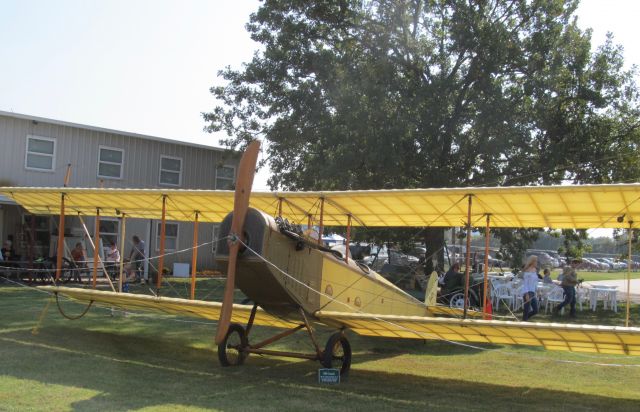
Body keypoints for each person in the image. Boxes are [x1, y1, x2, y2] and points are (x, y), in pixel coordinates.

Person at [521, 255, 539, 321]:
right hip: (528, 292)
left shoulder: (535, 270)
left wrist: (537, 290)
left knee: (536, 310)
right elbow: (525, 283)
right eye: (536, 261)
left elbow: (535, 282)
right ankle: (524, 321)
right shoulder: (527, 271)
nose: (537, 262)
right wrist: (526, 294)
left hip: (533, 292)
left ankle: (524, 320)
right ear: (532, 262)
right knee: (526, 310)